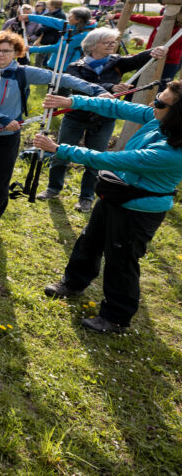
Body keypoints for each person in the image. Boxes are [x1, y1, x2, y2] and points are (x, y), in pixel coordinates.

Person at [35, 81, 182, 333]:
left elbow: (108, 158)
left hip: (139, 210)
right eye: (157, 96)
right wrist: (73, 102)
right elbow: (114, 107)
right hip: (117, 191)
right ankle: (73, 283)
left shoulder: (172, 152)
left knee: (121, 261)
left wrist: (60, 149)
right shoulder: (158, 118)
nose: (152, 103)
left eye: (159, 102)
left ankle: (115, 317)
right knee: (89, 240)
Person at [0, 31, 107, 233]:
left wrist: (95, 90)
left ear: (16, 53)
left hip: (8, 136)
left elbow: (61, 78)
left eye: (6, 51)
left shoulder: (23, 72)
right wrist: (3, 119)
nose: (0, 55)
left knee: (0, 177)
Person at [36, 28, 166, 211]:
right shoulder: (75, 67)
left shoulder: (117, 62)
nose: (112, 45)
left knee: (96, 158)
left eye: (114, 42)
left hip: (104, 120)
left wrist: (154, 51)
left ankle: (86, 197)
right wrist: (111, 87)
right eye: (107, 42)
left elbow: (138, 59)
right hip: (75, 117)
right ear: (93, 46)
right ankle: (53, 187)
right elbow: (82, 88)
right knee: (60, 152)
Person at [28, 6, 96, 69]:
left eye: (71, 16)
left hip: (65, 67)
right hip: (56, 64)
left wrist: (32, 49)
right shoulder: (71, 26)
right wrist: (29, 17)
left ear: (78, 20)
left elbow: (59, 48)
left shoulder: (84, 35)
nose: (68, 17)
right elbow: (51, 21)